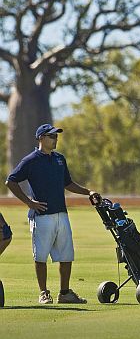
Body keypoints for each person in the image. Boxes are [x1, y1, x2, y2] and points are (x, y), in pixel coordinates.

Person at [5, 124, 97, 304]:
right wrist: (29, 203)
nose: (55, 139)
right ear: (41, 138)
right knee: (40, 256)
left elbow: (68, 183)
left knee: (67, 255)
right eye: (51, 136)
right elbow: (11, 181)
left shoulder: (60, 159)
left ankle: (64, 293)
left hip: (61, 214)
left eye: (56, 136)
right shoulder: (30, 160)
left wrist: (88, 192)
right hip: (41, 216)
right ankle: (43, 293)